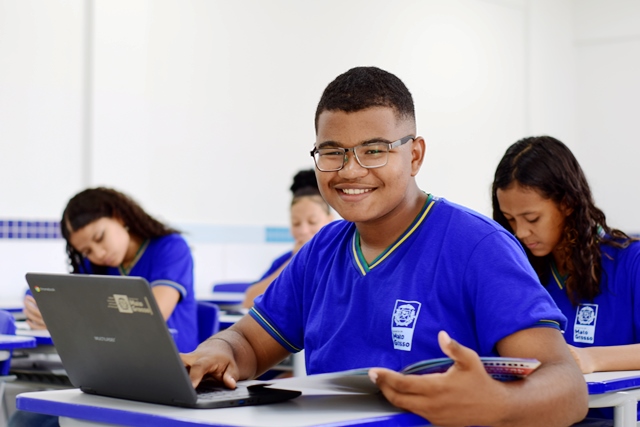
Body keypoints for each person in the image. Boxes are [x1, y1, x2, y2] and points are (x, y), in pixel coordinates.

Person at [181, 67, 588, 426]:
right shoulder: (321, 251)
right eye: (332, 152)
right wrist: (218, 351)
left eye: (374, 151)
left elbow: (567, 387)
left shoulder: (479, 247)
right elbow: (249, 343)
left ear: (415, 156)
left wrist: (498, 404)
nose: (350, 170)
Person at [492, 135, 640, 422]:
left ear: (568, 203)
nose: (521, 232)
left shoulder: (630, 262)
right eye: (510, 219)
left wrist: (591, 359)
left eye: (532, 218)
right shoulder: (522, 272)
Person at [22, 187, 198, 353]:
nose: (98, 254)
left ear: (118, 216)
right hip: (120, 361)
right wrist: (43, 309)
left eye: (100, 238)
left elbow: (149, 320)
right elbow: (58, 297)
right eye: (87, 251)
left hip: (175, 363)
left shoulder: (171, 248)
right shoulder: (94, 266)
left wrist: (67, 322)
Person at [243, 169, 333, 308]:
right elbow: (249, 301)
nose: (303, 231)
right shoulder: (285, 260)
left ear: (330, 220)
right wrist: (295, 260)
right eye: (296, 223)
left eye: (312, 222)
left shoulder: (340, 258)